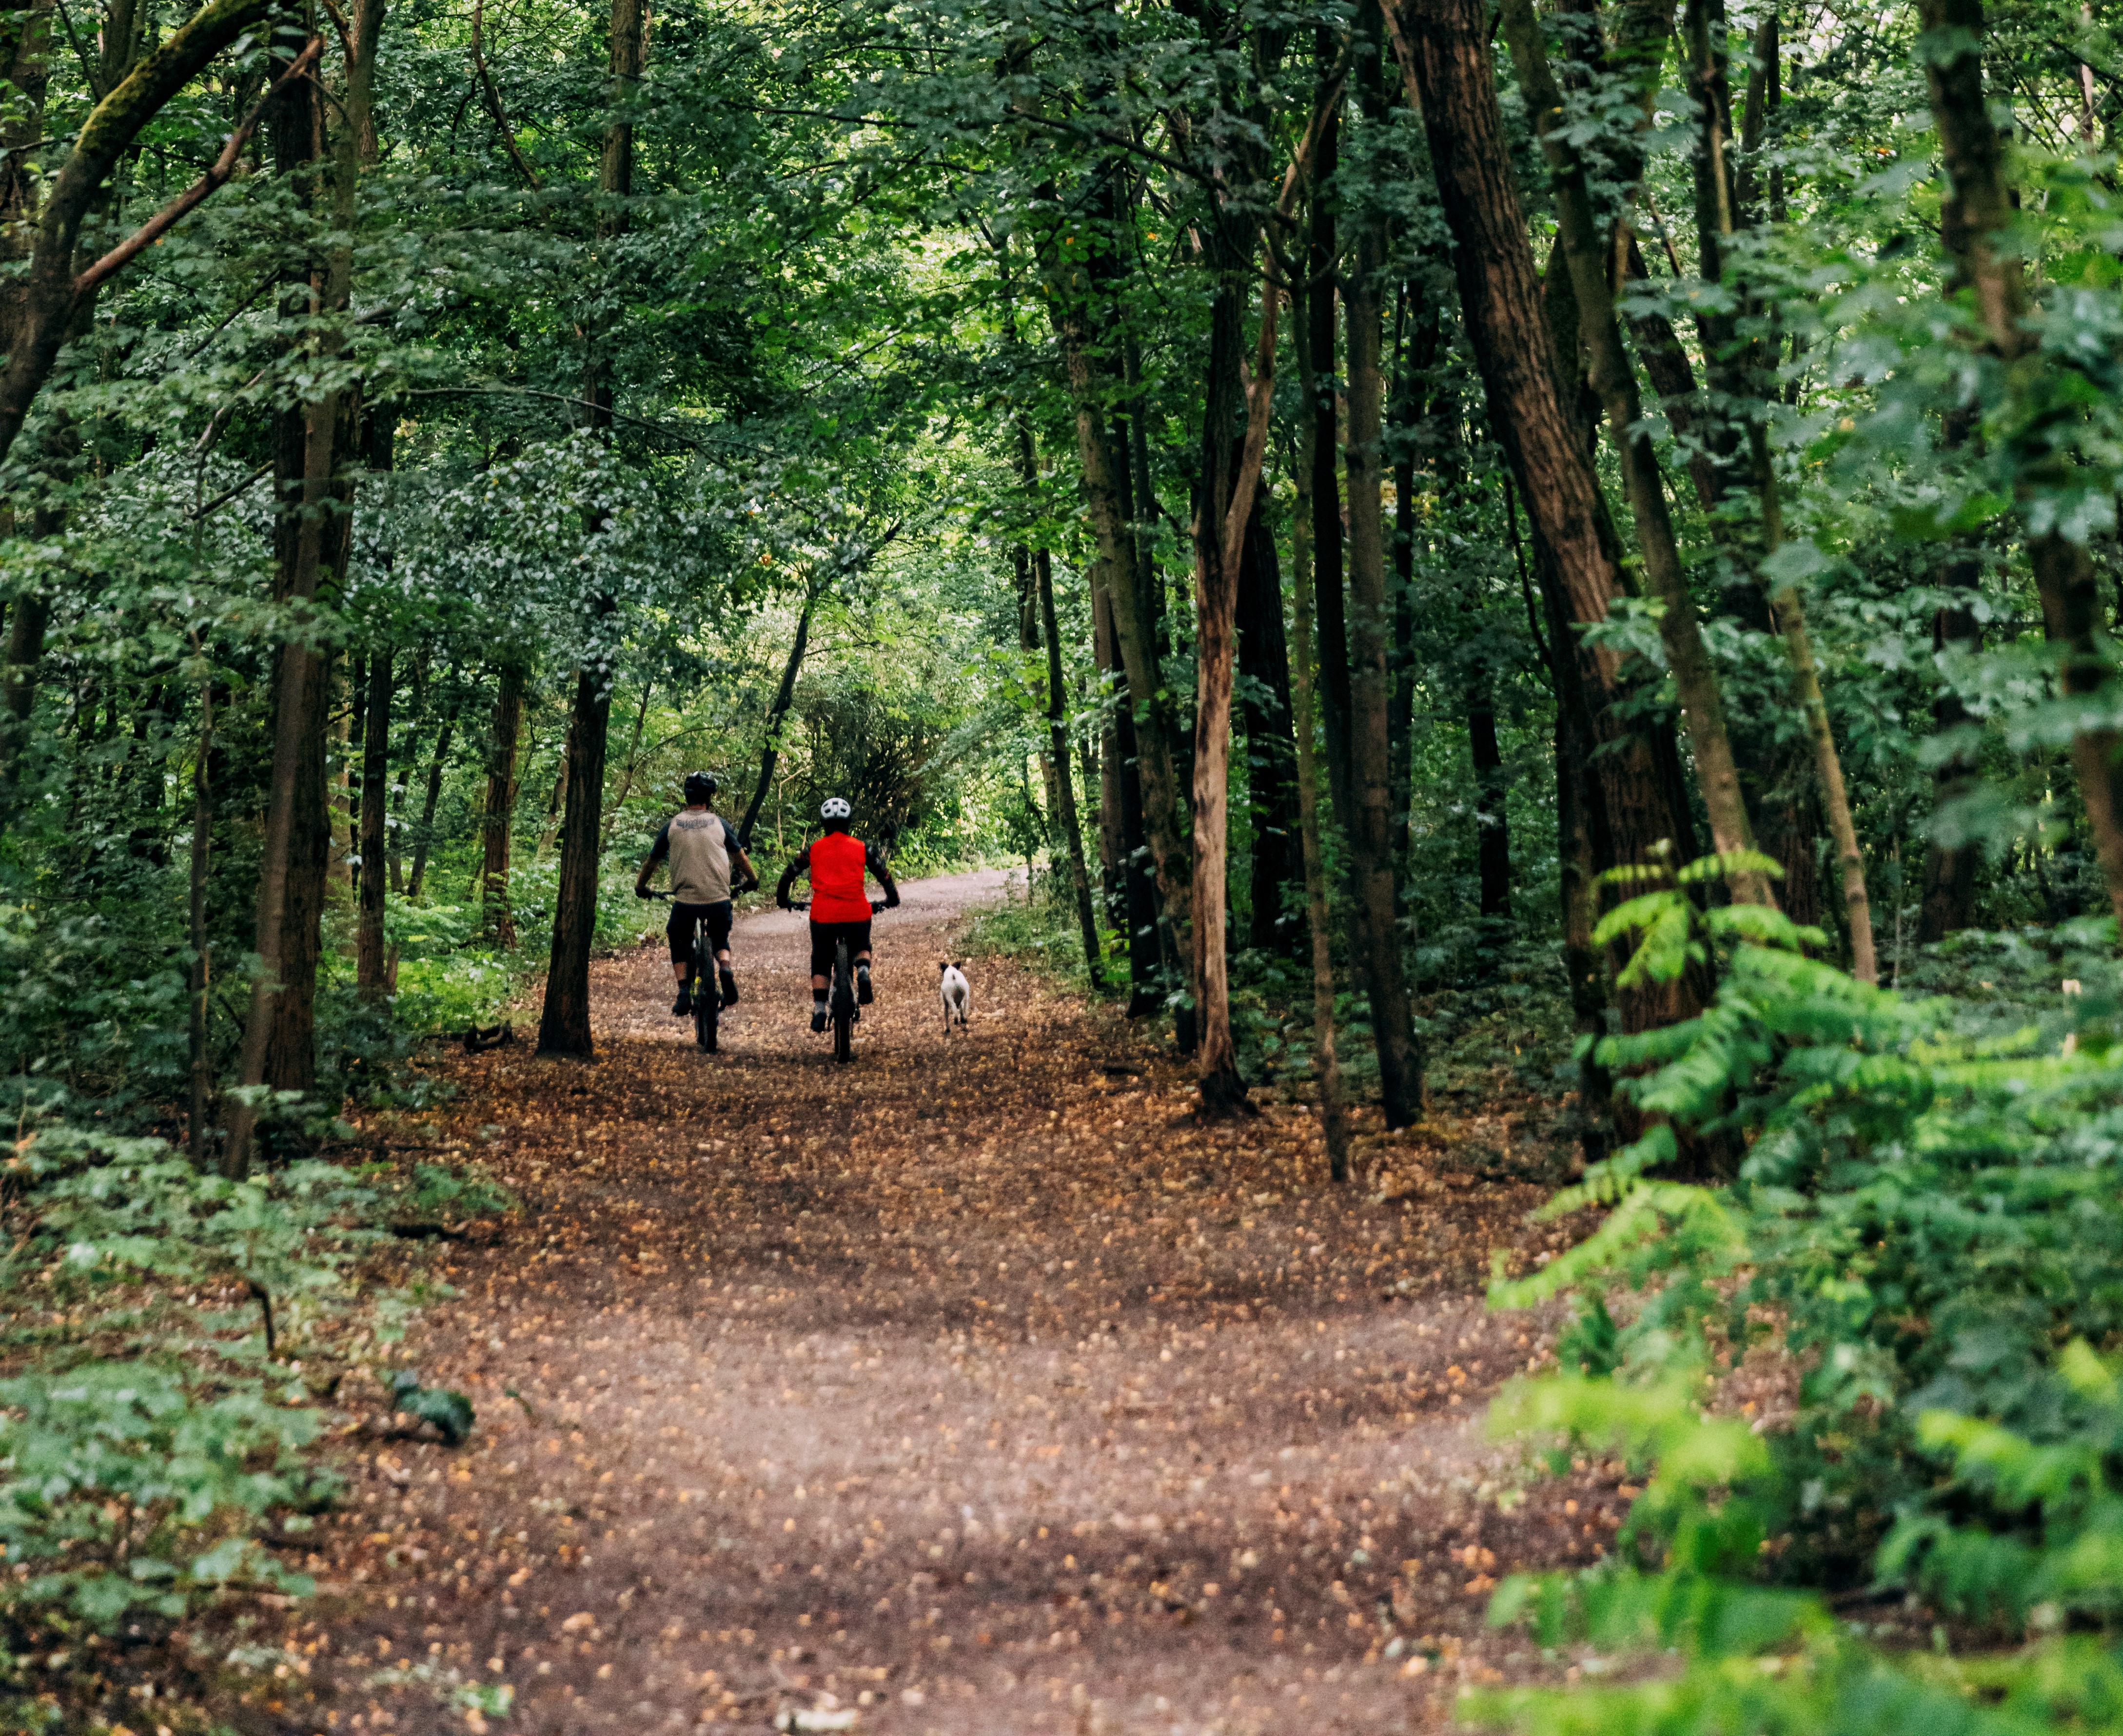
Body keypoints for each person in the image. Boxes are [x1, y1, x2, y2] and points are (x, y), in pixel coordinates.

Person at [635, 772, 758, 1017]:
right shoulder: (720, 824)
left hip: (686, 902)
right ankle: (724, 968)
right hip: (718, 899)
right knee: (720, 937)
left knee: (678, 936)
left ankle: (683, 991)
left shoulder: (672, 825)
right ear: (709, 798)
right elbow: (740, 857)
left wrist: (641, 886)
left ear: (686, 796)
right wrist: (753, 880)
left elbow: (652, 861)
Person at [776, 797, 900, 1032]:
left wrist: (783, 899)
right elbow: (884, 874)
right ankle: (863, 971)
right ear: (848, 822)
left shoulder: (812, 850)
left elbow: (787, 875)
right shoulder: (863, 848)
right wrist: (892, 898)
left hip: (823, 916)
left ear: (824, 824)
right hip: (857, 913)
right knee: (862, 943)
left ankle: (820, 1009)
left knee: (821, 957)